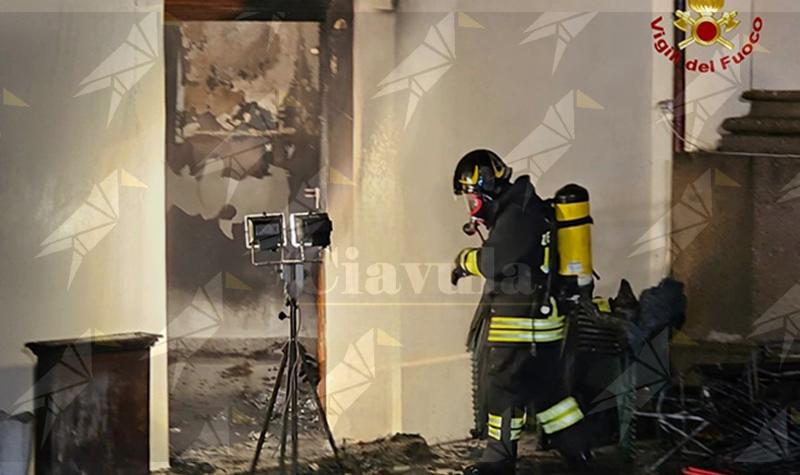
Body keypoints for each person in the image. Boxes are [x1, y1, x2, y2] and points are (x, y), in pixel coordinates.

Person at [451, 149, 591, 474]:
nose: (471, 206)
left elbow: (492, 262)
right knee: (548, 391)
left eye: (471, 197)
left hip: (519, 321)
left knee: (503, 386)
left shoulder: (517, 214)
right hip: (542, 317)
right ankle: (579, 453)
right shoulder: (530, 208)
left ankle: (497, 462)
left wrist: (462, 261)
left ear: (486, 187)